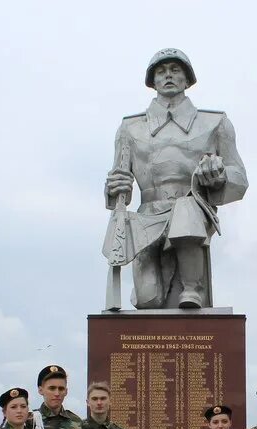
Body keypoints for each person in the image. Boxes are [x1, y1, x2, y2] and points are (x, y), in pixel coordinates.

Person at [104, 48, 248, 309]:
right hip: (147, 216)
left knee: (186, 208)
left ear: (187, 78)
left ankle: (193, 288)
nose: (168, 75)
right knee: (149, 300)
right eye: (161, 71)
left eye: (175, 70)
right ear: (152, 81)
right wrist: (114, 187)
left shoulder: (214, 123)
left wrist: (218, 175)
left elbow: (239, 178)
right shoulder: (130, 128)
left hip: (192, 208)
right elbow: (118, 185)